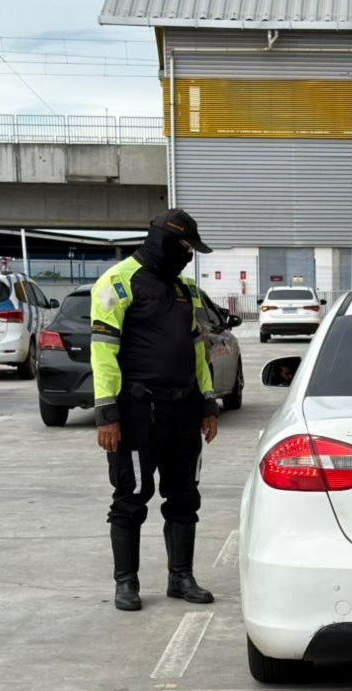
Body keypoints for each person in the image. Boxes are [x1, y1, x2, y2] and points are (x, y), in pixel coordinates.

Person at [90, 208, 219, 612]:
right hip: (135, 412)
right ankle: (125, 583)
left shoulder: (186, 290)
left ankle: (181, 577)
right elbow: (103, 352)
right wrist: (107, 413)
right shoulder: (116, 282)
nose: (189, 255)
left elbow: (198, 350)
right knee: (130, 496)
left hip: (182, 412)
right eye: (186, 247)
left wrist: (208, 403)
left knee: (184, 497)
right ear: (166, 241)